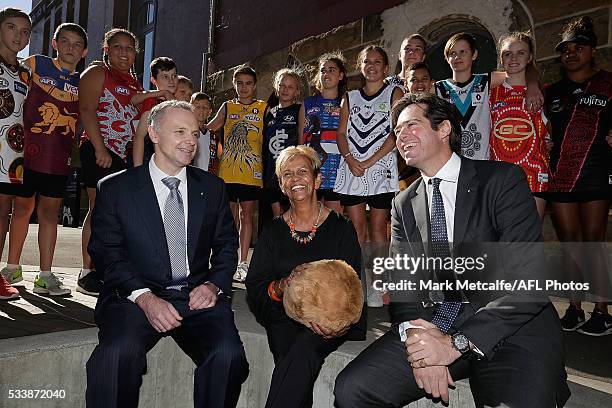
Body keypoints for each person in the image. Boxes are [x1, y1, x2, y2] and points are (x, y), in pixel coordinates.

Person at [334, 93, 570, 408]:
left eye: (411, 126)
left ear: (444, 129)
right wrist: (421, 350)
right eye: (397, 130)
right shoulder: (403, 203)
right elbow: (406, 290)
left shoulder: (501, 180)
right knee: (353, 389)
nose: (401, 136)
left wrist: (453, 345)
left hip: (512, 329)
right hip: (437, 322)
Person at [85, 100, 249, 408]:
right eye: (180, 131)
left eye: (195, 132)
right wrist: (145, 298)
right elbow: (107, 254)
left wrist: (213, 285)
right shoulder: (116, 189)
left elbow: (227, 244)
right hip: (133, 297)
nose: (191, 140)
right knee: (116, 356)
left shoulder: (212, 188)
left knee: (229, 356)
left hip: (196, 295)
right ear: (154, 134)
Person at [246, 145, 365, 408]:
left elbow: (354, 282)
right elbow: (255, 286)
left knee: (302, 350)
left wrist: (341, 324)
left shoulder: (341, 227)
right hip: (282, 315)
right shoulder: (272, 232)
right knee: (291, 348)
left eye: (302, 171)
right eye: (287, 174)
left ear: (317, 179)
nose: (296, 179)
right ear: (281, 185)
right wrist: (282, 286)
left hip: (328, 319)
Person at [77, 29, 167, 296]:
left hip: (124, 153)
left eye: (129, 48)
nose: (124, 53)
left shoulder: (133, 83)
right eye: (118, 47)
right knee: (98, 208)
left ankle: (108, 269)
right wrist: (99, 148)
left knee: (116, 215)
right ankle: (87, 270)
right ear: (106, 49)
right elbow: (86, 110)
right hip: (100, 148)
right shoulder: (96, 73)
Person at [0, 23, 87, 297]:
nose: (70, 48)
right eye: (65, 42)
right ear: (54, 43)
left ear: (84, 51)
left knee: (49, 214)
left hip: (58, 159)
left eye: (76, 45)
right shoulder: (35, 64)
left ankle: (45, 275)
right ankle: (11, 267)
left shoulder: (83, 82)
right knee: (22, 210)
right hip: (24, 154)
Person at [545, 17, 611, 336]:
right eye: (566, 49)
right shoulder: (551, 91)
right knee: (570, 243)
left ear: (592, 50)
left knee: (593, 242)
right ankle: (574, 307)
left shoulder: (608, 84)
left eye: (579, 47)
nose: (572, 53)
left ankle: (602, 311)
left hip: (596, 174)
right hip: (560, 177)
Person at [334, 45, 403, 307]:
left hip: (381, 170)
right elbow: (341, 133)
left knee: (378, 230)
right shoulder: (350, 97)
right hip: (352, 170)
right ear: (361, 67)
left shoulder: (395, 92)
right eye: (367, 62)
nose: (372, 66)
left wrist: (369, 160)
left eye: (377, 62)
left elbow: (396, 131)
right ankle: (356, 284)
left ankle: (378, 284)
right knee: (356, 231)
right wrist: (352, 160)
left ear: (385, 68)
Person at [435, 32, 543, 160]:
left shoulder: (486, 80)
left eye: (463, 51)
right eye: (452, 53)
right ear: (446, 58)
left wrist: (533, 85)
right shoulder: (437, 88)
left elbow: (516, 72)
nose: (458, 57)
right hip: (450, 162)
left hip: (483, 162)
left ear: (474, 54)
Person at [207, 65, 266, 282]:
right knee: (228, 218)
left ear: (254, 85)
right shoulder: (227, 106)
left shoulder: (262, 108)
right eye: (239, 83)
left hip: (252, 172)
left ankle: (243, 263)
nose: (244, 87)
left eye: (248, 83)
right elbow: (210, 128)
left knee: (247, 216)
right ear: (234, 84)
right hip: (228, 172)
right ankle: (227, 260)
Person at [489, 32, 550, 218]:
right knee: (501, 239)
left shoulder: (543, 91)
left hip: (534, 174)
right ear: (501, 58)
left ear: (530, 57)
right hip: (498, 176)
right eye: (507, 53)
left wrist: (549, 140)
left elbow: (553, 129)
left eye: (521, 53)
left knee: (530, 238)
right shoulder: (488, 92)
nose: (513, 58)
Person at [0, 7, 31, 301]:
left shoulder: (26, 72)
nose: (17, 35)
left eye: (24, 31)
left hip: (12, 155)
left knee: (2, 213)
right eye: (11, 27)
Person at [298, 52, 347, 213]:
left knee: (333, 224)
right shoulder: (307, 103)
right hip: (312, 172)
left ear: (341, 75)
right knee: (311, 222)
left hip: (337, 172)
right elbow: (300, 143)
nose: (326, 74)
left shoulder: (347, 102)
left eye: (331, 70)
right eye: (323, 70)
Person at [262, 68, 301, 217]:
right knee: (277, 217)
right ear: (277, 88)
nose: (285, 90)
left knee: (295, 213)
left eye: (290, 87)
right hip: (272, 173)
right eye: (282, 85)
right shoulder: (269, 113)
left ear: (297, 91)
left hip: (291, 170)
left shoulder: (299, 110)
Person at [132, 56, 177, 166]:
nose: (171, 81)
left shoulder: (177, 102)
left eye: (174, 76)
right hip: (150, 159)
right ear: (154, 80)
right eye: (165, 77)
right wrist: (139, 169)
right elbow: (139, 137)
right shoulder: (152, 102)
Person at [191, 92, 219, 174]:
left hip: (207, 178)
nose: (201, 110)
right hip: (190, 176)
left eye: (205, 107)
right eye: (197, 107)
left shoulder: (213, 136)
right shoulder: (186, 131)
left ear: (210, 111)